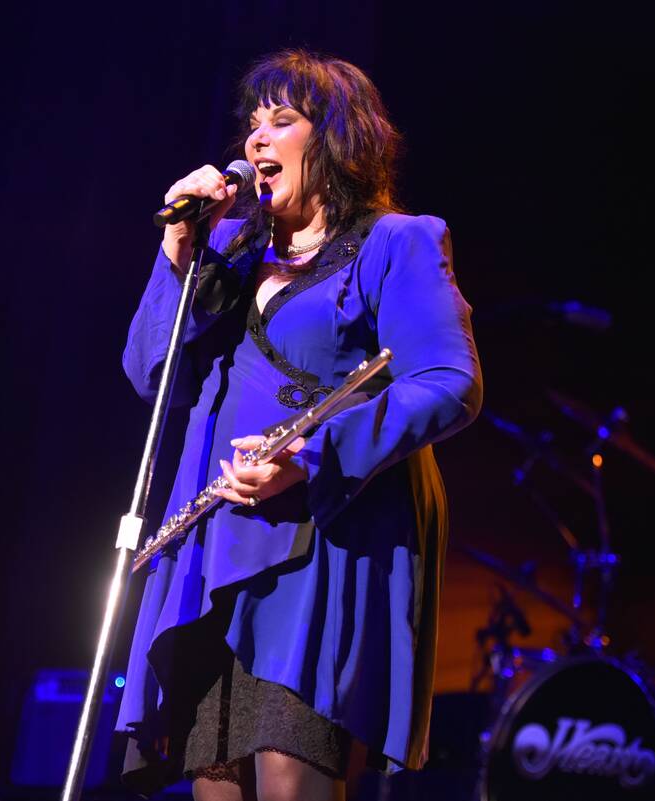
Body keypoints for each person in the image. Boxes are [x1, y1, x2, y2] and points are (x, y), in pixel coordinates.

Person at [116, 50, 482, 801]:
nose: (255, 139)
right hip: (212, 557)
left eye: (281, 120)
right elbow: (154, 376)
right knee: (216, 785)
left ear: (338, 141)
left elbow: (450, 381)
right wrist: (177, 248)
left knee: (289, 777)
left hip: (313, 552)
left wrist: (313, 456)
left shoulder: (394, 242)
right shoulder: (229, 254)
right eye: (251, 122)